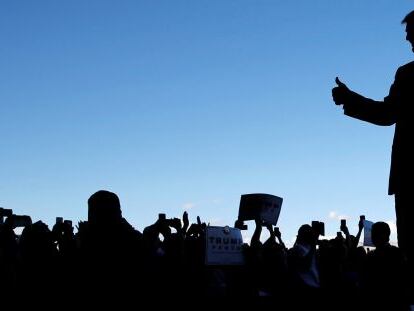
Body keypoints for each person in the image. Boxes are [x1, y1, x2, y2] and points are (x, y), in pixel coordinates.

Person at [332, 11, 414, 271]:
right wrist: (351, 98)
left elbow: (387, 114)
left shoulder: (408, 75)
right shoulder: (407, 74)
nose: (408, 38)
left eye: (411, 32)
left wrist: (349, 98)